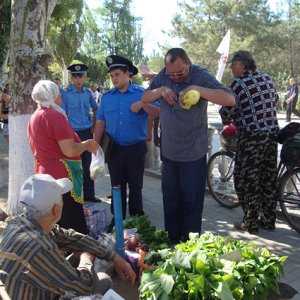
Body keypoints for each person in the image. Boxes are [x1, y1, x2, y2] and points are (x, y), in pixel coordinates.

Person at [141, 48, 235, 243]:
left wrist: (199, 90)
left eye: (180, 73)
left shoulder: (200, 76)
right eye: (171, 74)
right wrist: (161, 90)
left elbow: (229, 98)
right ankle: (173, 241)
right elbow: (144, 98)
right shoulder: (163, 77)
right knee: (171, 201)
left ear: (188, 64)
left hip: (193, 154)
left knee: (191, 204)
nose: (175, 77)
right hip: (169, 153)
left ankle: (190, 246)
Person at [0, 174, 136, 300]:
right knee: (103, 281)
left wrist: (114, 257)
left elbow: (71, 237)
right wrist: (86, 259)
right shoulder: (40, 247)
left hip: (27, 290)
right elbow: (84, 286)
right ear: (55, 210)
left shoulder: (19, 222)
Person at [94, 55, 159, 223]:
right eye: (112, 76)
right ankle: (118, 221)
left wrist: (143, 104)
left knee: (136, 186)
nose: (114, 78)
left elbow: (157, 112)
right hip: (114, 149)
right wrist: (94, 146)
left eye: (117, 74)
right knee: (116, 186)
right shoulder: (107, 97)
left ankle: (137, 221)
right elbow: (100, 122)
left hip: (135, 148)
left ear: (127, 74)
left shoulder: (141, 93)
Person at [219, 50, 279, 234]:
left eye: (233, 65)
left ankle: (250, 223)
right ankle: (268, 220)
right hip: (272, 135)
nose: (231, 68)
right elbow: (274, 100)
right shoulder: (267, 78)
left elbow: (226, 112)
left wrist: (228, 117)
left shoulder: (238, 84)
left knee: (246, 180)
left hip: (252, 137)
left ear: (242, 65)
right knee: (268, 179)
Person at [28, 80, 98, 234]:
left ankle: (59, 254)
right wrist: (87, 144)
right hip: (63, 177)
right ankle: (78, 256)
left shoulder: (35, 116)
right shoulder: (54, 116)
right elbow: (70, 150)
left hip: (44, 175)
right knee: (72, 227)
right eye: (58, 92)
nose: (61, 96)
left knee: (55, 223)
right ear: (52, 95)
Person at [62, 63, 100, 203]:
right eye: (75, 76)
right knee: (74, 166)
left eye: (81, 76)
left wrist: (94, 126)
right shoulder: (65, 94)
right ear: (72, 78)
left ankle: (89, 195)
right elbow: (62, 115)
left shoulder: (88, 93)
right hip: (72, 134)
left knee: (88, 165)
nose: (78, 79)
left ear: (85, 77)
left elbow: (96, 109)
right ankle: (76, 196)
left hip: (86, 132)